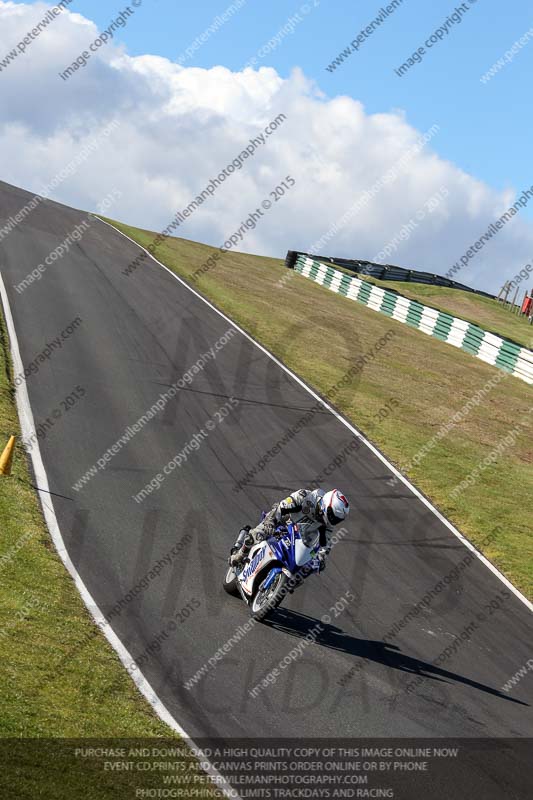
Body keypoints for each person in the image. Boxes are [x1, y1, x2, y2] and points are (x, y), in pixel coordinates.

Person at [230, 488, 349, 572]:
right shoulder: (305, 496)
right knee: (257, 535)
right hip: (282, 524)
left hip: (298, 540)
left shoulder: (328, 524)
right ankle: (240, 554)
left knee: (304, 569)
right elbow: (281, 507)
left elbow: (325, 544)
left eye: (337, 520)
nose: (333, 521)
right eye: (332, 515)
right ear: (326, 505)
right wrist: (271, 521)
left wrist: (322, 558)